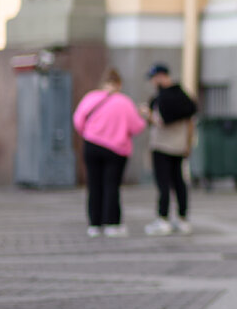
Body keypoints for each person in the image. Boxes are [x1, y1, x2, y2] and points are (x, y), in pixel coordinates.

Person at [72, 67, 146, 238]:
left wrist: (91, 133)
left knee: (94, 185)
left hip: (92, 145)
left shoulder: (91, 97)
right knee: (111, 185)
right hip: (116, 149)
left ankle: (94, 225)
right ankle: (112, 223)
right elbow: (137, 127)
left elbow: (78, 121)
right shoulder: (125, 102)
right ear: (119, 84)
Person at [142, 63, 197, 236]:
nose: (152, 82)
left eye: (153, 78)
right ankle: (182, 218)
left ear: (159, 76)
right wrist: (188, 144)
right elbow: (190, 121)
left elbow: (161, 120)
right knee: (179, 182)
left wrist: (146, 114)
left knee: (163, 183)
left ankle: (163, 218)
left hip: (161, 146)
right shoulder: (183, 96)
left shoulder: (161, 98)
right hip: (179, 146)